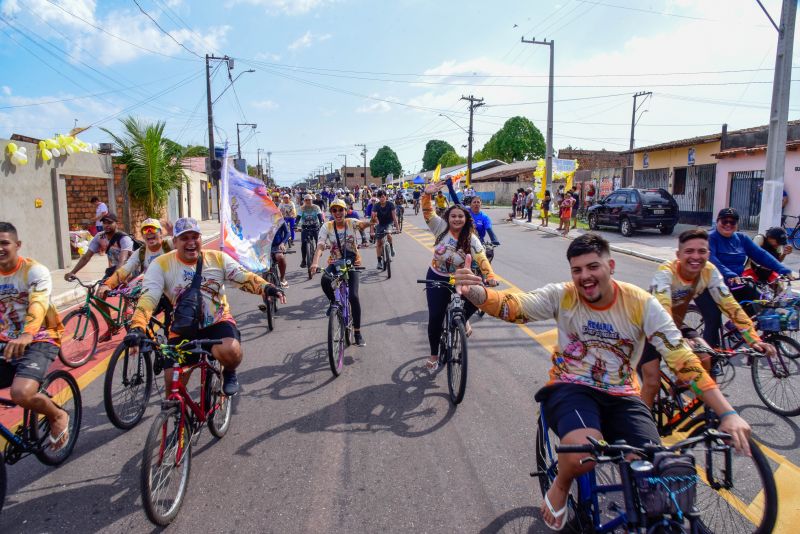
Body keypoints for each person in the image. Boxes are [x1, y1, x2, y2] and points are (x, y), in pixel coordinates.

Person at [452, 233, 752, 530]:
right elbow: (513, 306)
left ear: (611, 266)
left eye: (593, 267)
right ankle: (560, 484)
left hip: (623, 395)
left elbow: (681, 357)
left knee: (655, 474)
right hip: (571, 386)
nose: (585, 276)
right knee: (583, 451)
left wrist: (727, 413)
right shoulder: (563, 294)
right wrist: (476, 293)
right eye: (577, 270)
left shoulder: (641, 303)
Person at [125, 217, 285, 396]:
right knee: (172, 384)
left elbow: (243, 277)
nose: (191, 242)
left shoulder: (217, 258)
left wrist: (266, 287)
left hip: (217, 322)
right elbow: (149, 297)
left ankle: (229, 371)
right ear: (174, 242)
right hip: (183, 326)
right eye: (185, 238)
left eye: (195, 237)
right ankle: (180, 419)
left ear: (201, 239)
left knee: (231, 352)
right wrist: (138, 326)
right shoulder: (160, 264)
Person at [639, 229, 775, 409]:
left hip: (676, 324)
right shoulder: (666, 272)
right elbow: (663, 310)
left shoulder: (709, 271)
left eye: (701, 251)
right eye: (689, 251)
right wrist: (680, 341)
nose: (696, 257)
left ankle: (678, 395)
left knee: (705, 358)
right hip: (649, 328)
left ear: (708, 254)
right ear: (678, 255)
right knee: (652, 382)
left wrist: (753, 339)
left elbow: (730, 305)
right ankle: (645, 431)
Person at [0, 222, 70, 450]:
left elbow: (38, 303)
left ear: (17, 245)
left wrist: (27, 334)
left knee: (20, 393)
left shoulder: (34, 271)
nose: (0, 249)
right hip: (6, 340)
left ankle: (57, 415)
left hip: (40, 337)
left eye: (4, 243)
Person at [421, 182, 498, 370]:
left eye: (460, 216)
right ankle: (433, 354)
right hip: (436, 276)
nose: (456, 219)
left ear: (466, 219)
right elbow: (428, 212)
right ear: (448, 217)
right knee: (436, 317)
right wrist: (426, 195)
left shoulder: (471, 238)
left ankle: (463, 319)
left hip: (461, 279)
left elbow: (481, 258)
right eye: (453, 216)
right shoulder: (440, 227)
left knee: (480, 296)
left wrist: (490, 275)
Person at [701, 207, 794, 347]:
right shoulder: (710, 238)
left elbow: (761, 255)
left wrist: (783, 269)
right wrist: (730, 274)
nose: (728, 224)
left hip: (734, 284)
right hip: (709, 286)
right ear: (717, 221)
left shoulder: (742, 238)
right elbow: (712, 260)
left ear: (737, 224)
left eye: (732, 222)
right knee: (713, 320)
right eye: (724, 221)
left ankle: (735, 326)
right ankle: (711, 358)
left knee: (762, 302)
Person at [309, 199, 370, 346]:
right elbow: (321, 246)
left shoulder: (351, 222)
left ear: (345, 210)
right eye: (334, 210)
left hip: (352, 262)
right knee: (324, 280)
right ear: (331, 212)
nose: (338, 213)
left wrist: (372, 221)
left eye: (340, 210)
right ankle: (333, 302)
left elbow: (362, 224)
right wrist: (315, 262)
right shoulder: (327, 226)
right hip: (336, 262)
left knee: (354, 297)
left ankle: (357, 332)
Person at [65, 213, 134, 341]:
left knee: (126, 295)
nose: (106, 225)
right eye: (104, 223)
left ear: (116, 223)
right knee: (98, 295)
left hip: (127, 270)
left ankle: (128, 311)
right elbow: (86, 256)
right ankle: (111, 326)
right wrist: (73, 272)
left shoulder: (124, 239)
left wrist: (112, 281)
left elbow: (122, 261)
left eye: (109, 222)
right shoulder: (99, 237)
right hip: (112, 270)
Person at [370, 190, 399, 270]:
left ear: (386, 196)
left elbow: (394, 217)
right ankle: (379, 261)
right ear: (378, 198)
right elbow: (372, 219)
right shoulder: (376, 206)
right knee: (379, 243)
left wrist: (397, 228)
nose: (382, 198)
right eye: (380, 197)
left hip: (389, 223)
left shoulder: (391, 204)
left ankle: (391, 247)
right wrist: (371, 231)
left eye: (383, 196)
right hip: (380, 224)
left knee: (389, 234)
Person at [297, 194, 324, 268]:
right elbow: (298, 217)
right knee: (303, 244)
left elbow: (319, 216)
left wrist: (321, 223)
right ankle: (303, 260)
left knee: (318, 242)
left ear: (312, 200)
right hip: (305, 227)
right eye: (306, 200)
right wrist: (295, 225)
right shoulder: (301, 208)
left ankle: (316, 261)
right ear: (304, 201)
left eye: (309, 200)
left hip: (315, 226)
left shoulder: (316, 207)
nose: (308, 201)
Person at [271, 220, 290, 287]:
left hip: (277, 245)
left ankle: (282, 277)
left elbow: (287, 233)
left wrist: (282, 243)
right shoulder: (259, 219)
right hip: (264, 246)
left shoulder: (279, 219)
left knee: (280, 257)